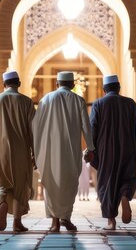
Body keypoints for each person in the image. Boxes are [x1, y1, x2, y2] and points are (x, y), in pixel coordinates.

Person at [32, 71, 95, 232]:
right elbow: (86, 127)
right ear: (73, 85)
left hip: (49, 149)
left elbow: (35, 126)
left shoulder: (46, 99)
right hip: (70, 151)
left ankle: (55, 221)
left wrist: (35, 149)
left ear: (57, 84)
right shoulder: (78, 100)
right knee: (69, 183)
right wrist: (90, 147)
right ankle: (66, 217)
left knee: (52, 184)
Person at [0, 70, 35, 232]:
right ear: (18, 83)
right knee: (20, 185)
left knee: (1, 182)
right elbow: (34, 130)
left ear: (4, 84)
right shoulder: (26, 102)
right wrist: (35, 153)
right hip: (21, 149)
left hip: (0, 150)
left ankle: (2, 203)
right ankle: (17, 222)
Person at [90, 74, 136, 230]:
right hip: (128, 146)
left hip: (106, 150)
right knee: (128, 176)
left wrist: (91, 150)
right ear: (119, 88)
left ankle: (111, 221)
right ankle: (125, 195)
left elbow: (92, 128)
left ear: (104, 89)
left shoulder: (98, 103)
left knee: (107, 182)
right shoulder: (130, 103)